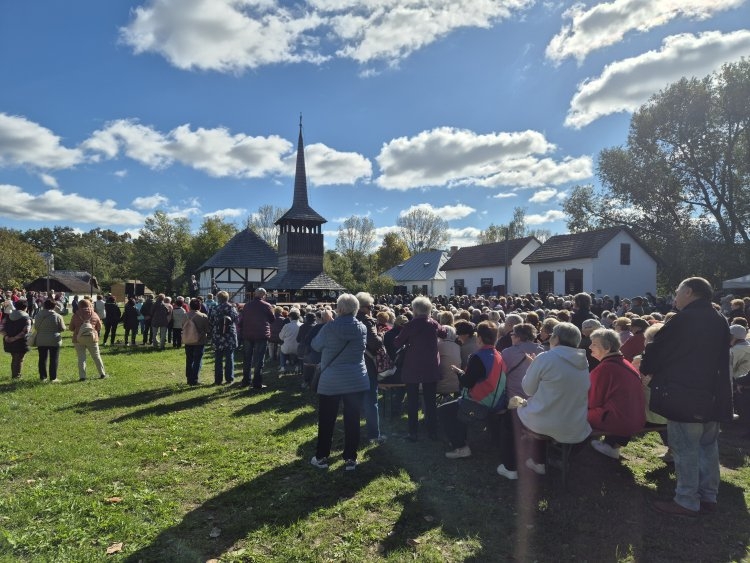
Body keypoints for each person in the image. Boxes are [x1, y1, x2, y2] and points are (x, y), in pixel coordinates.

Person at [640, 277, 732, 517]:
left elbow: (657, 350)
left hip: (685, 394)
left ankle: (686, 500)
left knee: (685, 448)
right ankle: (708, 496)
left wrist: (648, 367)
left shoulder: (684, 319)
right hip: (712, 393)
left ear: (690, 292)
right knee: (707, 446)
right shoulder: (719, 318)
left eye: (677, 292)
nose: (675, 297)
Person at [516, 322, 591, 475]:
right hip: (574, 421)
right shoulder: (583, 361)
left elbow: (528, 390)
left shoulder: (545, 358)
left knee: (515, 413)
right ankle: (552, 457)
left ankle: (534, 461)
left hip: (547, 420)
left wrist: (534, 366)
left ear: (556, 338)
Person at [310, 293, 370, 471]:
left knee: (327, 419)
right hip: (356, 378)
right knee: (353, 420)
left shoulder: (329, 328)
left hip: (332, 380)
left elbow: (315, 346)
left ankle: (322, 457)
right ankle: (351, 458)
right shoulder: (362, 328)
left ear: (340, 309)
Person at [438, 320, 507, 459]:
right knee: (455, 406)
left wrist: (458, 372)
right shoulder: (498, 354)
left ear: (479, 338)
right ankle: (463, 441)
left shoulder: (478, 357)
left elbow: (467, 383)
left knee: (443, 410)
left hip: (480, 402)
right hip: (496, 401)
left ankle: (460, 446)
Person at [587, 328, 646, 459]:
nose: (590, 346)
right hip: (636, 418)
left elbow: (592, 402)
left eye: (594, 344)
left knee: (574, 412)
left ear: (607, 348)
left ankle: (573, 448)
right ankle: (611, 445)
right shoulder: (625, 363)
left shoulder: (605, 368)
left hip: (619, 421)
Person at [394, 296, 447, 441]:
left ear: (415, 309)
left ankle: (413, 432)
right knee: (430, 401)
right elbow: (444, 333)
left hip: (413, 365)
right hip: (430, 365)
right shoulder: (434, 323)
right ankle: (432, 432)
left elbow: (397, 343)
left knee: (412, 400)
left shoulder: (411, 325)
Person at [497, 323, 544, 479]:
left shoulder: (508, 352)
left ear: (517, 336)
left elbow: (500, 374)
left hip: (515, 400)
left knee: (509, 431)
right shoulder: (542, 351)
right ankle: (537, 460)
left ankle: (510, 467)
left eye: (512, 335)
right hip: (536, 401)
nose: (511, 337)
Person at [238, 288, 275, 389]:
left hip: (248, 334)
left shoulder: (247, 305)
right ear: (264, 295)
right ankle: (257, 383)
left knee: (247, 358)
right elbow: (272, 319)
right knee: (259, 359)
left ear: (255, 294)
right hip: (261, 335)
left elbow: (241, 320)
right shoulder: (267, 306)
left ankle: (246, 380)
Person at [69, 298, 107, 380]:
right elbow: (99, 327)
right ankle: (102, 374)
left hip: (78, 339)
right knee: (96, 356)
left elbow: (71, 328)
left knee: (81, 358)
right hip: (92, 338)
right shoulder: (94, 314)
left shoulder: (76, 315)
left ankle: (82, 376)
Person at [209, 291, 239, 385]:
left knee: (218, 358)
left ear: (218, 298)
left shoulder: (214, 308)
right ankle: (229, 378)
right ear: (227, 298)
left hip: (218, 336)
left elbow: (210, 321)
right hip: (229, 335)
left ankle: (218, 380)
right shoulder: (231, 308)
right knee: (229, 357)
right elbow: (236, 320)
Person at [34, 299, 66, 382]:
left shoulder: (38, 315)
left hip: (41, 339)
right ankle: (53, 378)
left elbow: (36, 327)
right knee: (54, 359)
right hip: (54, 339)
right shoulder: (58, 316)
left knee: (42, 359)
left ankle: (43, 377)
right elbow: (63, 328)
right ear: (54, 306)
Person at [3, 299, 31, 379]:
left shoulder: (7, 316)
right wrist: (15, 338)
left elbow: (1, 328)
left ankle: (14, 375)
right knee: (19, 359)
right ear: (25, 307)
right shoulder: (26, 317)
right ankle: (17, 376)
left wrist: (7, 337)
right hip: (21, 342)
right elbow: (26, 331)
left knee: (14, 358)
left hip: (8, 341)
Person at [184, 298, 210, 385]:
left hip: (188, 340)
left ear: (190, 306)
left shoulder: (185, 315)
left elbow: (182, 326)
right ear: (199, 306)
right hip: (199, 341)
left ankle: (188, 378)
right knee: (197, 360)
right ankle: (194, 379)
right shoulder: (203, 316)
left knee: (189, 359)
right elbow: (207, 329)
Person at [279, 308, 302, 373]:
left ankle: (282, 367)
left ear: (290, 318)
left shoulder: (286, 326)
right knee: (298, 353)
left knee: (282, 351)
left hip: (287, 348)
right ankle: (297, 366)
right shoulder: (302, 325)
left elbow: (281, 337)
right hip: (298, 348)